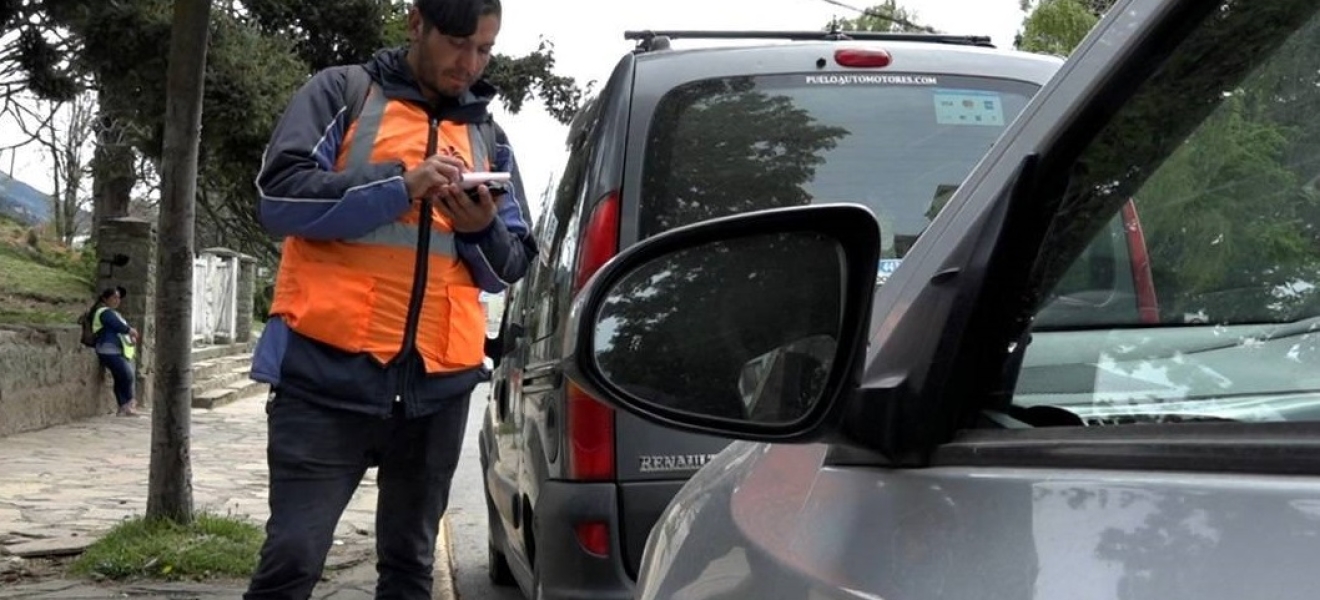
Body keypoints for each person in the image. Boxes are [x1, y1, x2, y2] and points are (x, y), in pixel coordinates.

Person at [244, 0, 536, 598]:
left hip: (438, 388)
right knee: (293, 560)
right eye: (458, 43)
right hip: (325, 378)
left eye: (484, 49)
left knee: (409, 566)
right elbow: (279, 198)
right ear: (415, 22)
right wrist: (399, 184)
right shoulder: (342, 93)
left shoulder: (489, 139)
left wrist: (479, 227)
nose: (470, 63)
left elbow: (507, 268)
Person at [90, 287, 140, 417]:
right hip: (108, 349)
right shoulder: (104, 312)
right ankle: (128, 404)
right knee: (127, 375)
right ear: (105, 299)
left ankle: (123, 406)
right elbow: (116, 325)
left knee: (121, 377)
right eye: (114, 297)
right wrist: (129, 330)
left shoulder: (114, 313)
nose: (117, 300)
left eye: (118, 298)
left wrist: (130, 338)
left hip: (117, 350)